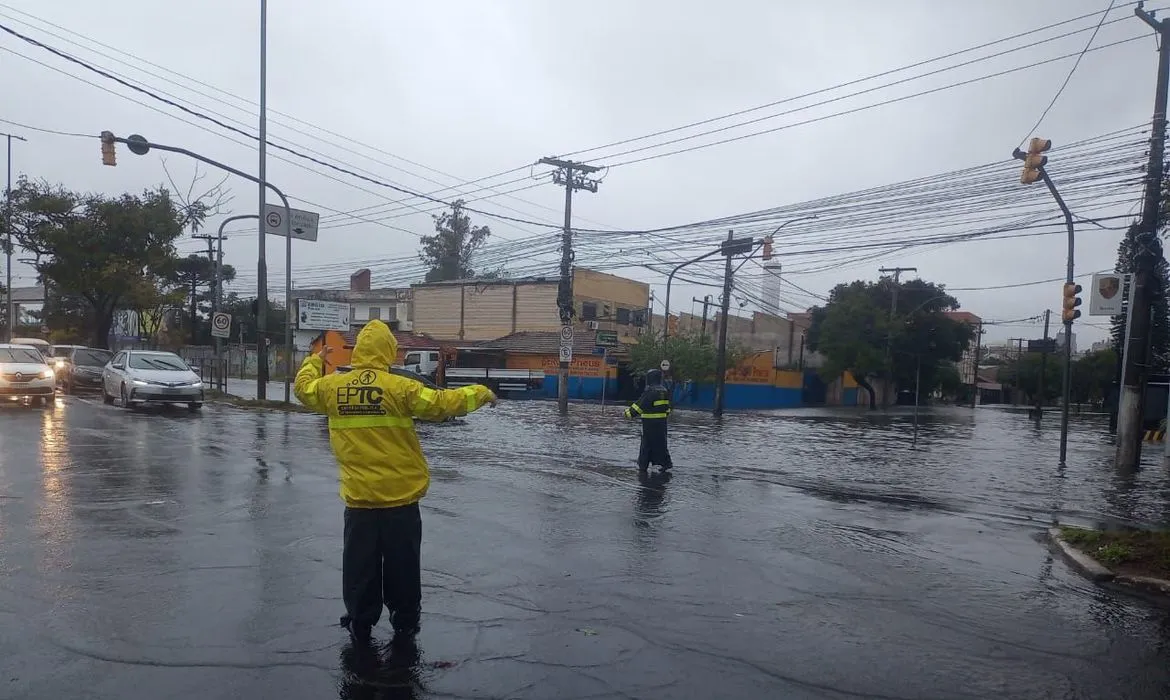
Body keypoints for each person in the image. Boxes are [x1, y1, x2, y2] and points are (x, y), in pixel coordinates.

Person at [294, 319, 497, 645]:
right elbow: (443, 405)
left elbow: (303, 389)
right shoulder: (399, 387)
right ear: (388, 351)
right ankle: (405, 624)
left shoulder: (333, 387)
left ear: (359, 351)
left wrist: (314, 360)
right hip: (400, 499)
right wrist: (481, 392)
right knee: (403, 566)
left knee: (359, 565)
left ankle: (360, 621)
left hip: (359, 499)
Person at [624, 368, 673, 472]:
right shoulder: (664, 391)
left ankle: (642, 466)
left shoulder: (650, 391)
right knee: (661, 444)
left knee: (646, 445)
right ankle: (666, 463)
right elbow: (668, 409)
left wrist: (627, 413)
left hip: (649, 424)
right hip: (662, 424)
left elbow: (639, 406)